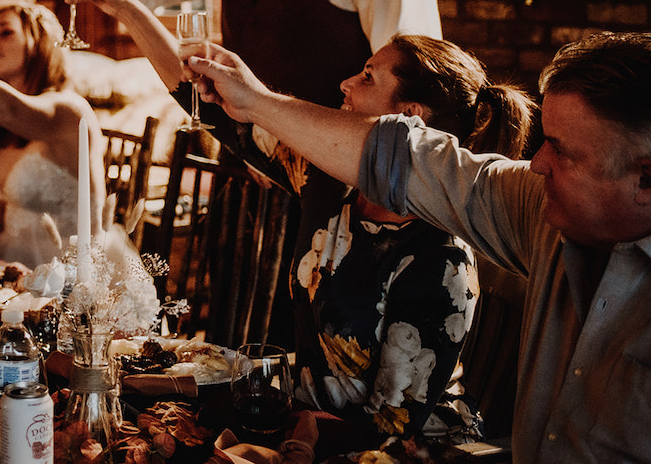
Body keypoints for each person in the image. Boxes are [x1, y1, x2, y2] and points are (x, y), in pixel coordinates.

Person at [38, 0, 441, 346]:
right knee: (234, 352)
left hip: (331, 206)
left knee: (305, 357)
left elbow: (414, 87)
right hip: (242, 188)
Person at [79, 0, 536, 448]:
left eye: (367, 77)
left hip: (396, 450)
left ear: (407, 120)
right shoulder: (326, 180)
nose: (346, 83)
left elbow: (389, 428)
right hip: (304, 415)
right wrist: (126, 6)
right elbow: (214, 107)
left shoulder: (439, 258)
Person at [184, 32, 651, 463]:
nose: (536, 164)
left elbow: (393, 425)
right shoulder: (539, 208)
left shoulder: (438, 255)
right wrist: (256, 101)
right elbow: (404, 159)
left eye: (561, 151)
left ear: (646, 179)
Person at [0, 2, 107, 268]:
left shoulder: (68, 109)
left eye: (5, 33)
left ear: (39, 42)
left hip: (69, 267)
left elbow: (13, 110)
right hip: (9, 261)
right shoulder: (3, 125)